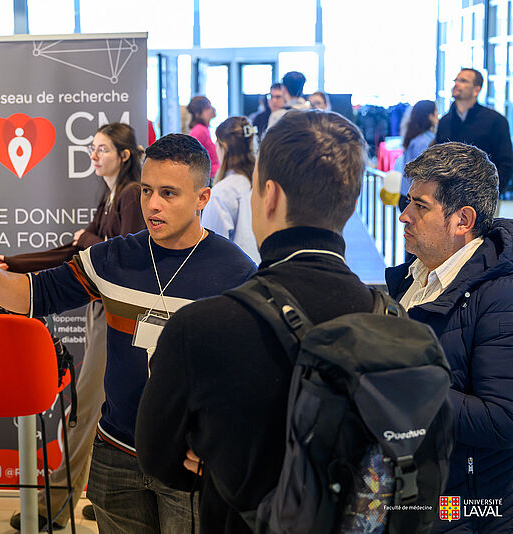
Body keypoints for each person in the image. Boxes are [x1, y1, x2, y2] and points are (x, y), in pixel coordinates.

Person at [0, 134, 256, 533]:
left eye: (169, 193)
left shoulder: (237, 273)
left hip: (188, 462)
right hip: (116, 455)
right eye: (147, 191)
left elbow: (250, 380)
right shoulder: (115, 257)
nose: (153, 204)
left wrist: (224, 444)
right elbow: (32, 295)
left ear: (202, 197)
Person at [135, 111, 382, 533]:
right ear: (351, 201)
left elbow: (157, 456)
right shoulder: (389, 320)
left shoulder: (200, 327)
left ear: (269, 196)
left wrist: (217, 462)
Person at [0, 122, 146, 531]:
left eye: (102, 149)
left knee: (87, 407)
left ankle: (55, 506)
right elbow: (75, 254)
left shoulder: (130, 195)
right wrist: (13, 264)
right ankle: (108, 495)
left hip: (118, 317)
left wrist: (89, 238)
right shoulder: (112, 195)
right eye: (92, 148)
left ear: (124, 155)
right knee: (100, 408)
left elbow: (126, 254)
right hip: (106, 313)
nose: (94, 156)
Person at [386, 142, 513, 533]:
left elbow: (502, 419)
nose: (404, 215)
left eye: (420, 206)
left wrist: (402, 383)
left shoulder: (501, 295)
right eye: (408, 201)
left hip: (466, 512)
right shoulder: (415, 273)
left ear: (463, 220)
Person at [435, 68, 513, 196]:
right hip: (448, 196)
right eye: (455, 80)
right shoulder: (445, 121)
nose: (456, 84)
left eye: (463, 81)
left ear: (476, 90)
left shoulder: (495, 120)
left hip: (483, 195)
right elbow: (438, 158)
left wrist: (492, 194)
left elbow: (506, 163)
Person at [200, 116, 260, 260]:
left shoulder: (223, 192)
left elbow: (211, 247)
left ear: (224, 147)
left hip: (235, 269)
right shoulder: (262, 184)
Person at [395, 99, 436, 211]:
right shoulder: (424, 141)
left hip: (406, 194)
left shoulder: (415, 137)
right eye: (436, 112)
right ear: (430, 116)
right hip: (413, 197)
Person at [187, 95, 219, 180]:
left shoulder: (204, 129)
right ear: (198, 114)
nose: (212, 109)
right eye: (207, 108)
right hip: (209, 178)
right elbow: (193, 159)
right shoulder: (199, 130)